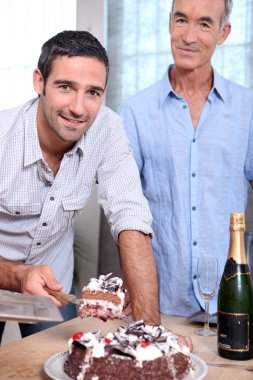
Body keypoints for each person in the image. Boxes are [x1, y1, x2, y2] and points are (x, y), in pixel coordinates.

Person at [0, 30, 160, 341]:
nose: (78, 108)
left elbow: (130, 218)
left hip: (54, 285)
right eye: (65, 87)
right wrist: (19, 275)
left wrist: (152, 336)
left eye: (93, 93)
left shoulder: (108, 129)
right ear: (39, 81)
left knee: (61, 366)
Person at [119, 0, 253, 317]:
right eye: (181, 20)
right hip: (160, 306)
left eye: (204, 24)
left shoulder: (247, 109)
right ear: (169, 24)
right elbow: (124, 213)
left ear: (223, 33)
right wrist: (143, 306)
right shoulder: (135, 113)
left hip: (231, 305)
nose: (189, 36)